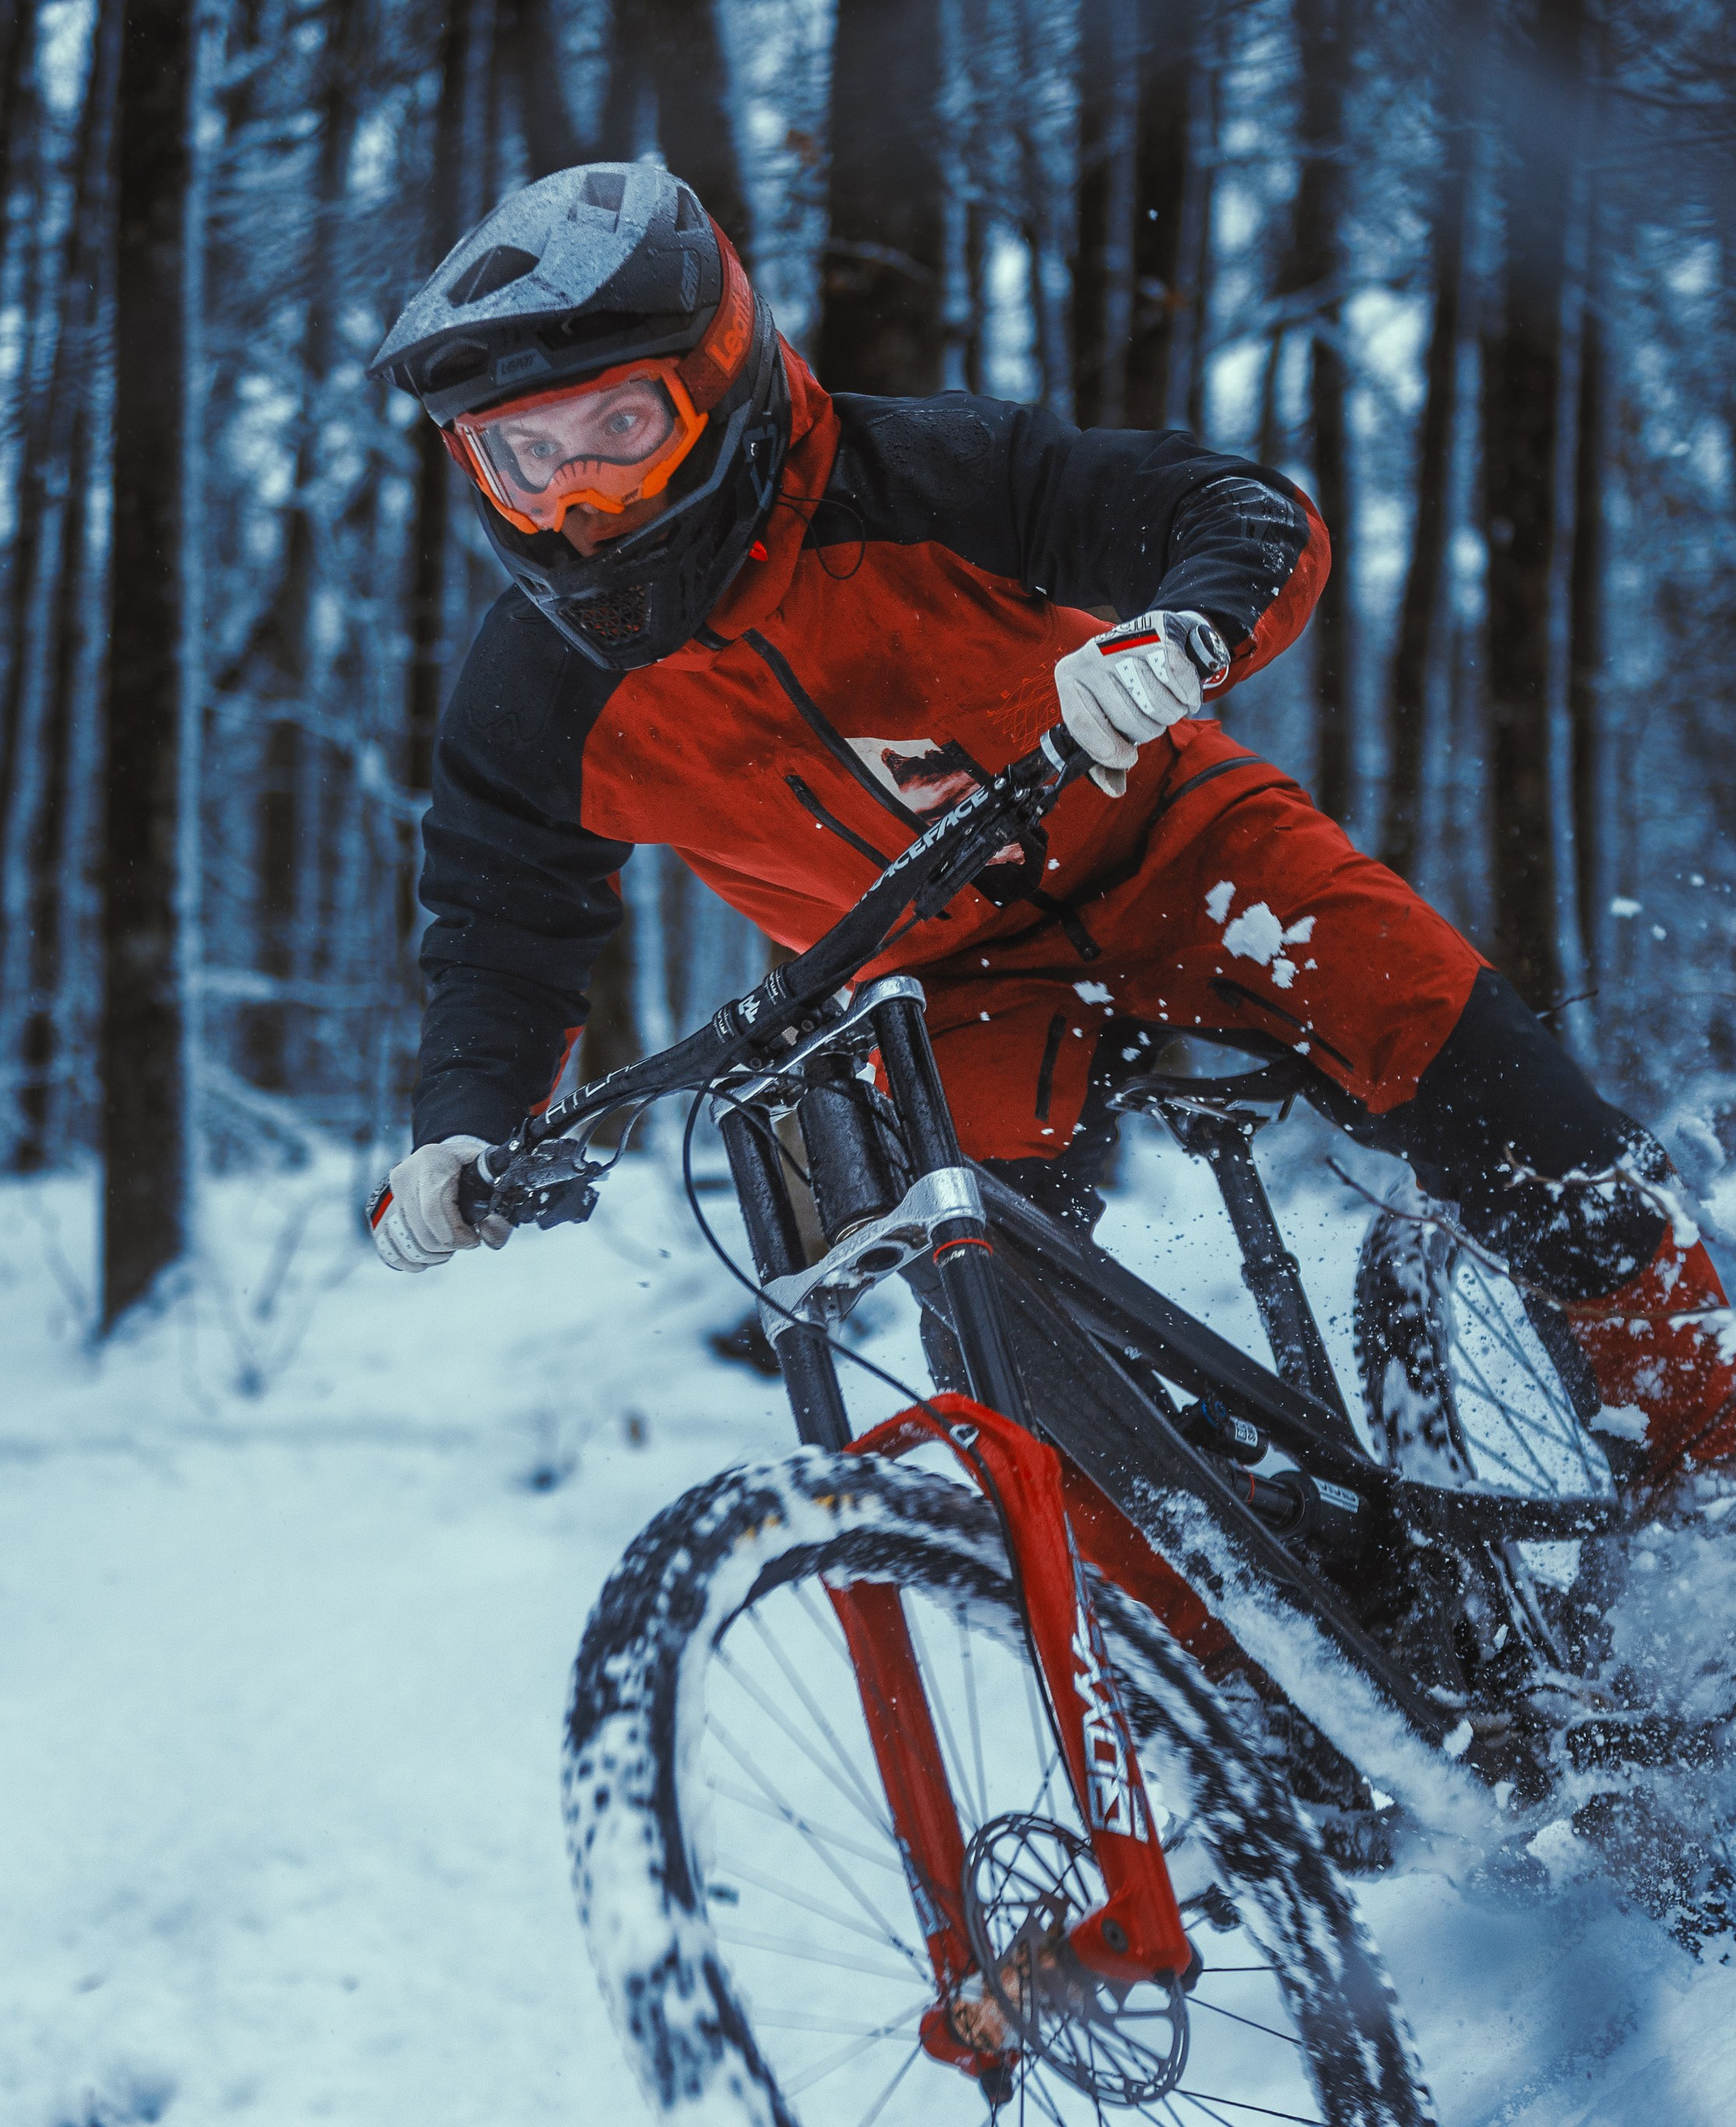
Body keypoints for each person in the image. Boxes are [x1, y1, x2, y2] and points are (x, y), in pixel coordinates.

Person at [363, 163, 1732, 1638]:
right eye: (525, 457)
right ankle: (1297, 1665)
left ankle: (1710, 1522)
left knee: (1515, 1109)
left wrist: (1176, 635)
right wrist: (469, 1118)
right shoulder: (535, 697)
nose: (581, 496)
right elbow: (503, 924)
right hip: (929, 993)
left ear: (719, 378)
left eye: (621, 428)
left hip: (1184, 852)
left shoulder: (925, 478)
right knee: (1018, 1382)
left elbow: (1232, 509)